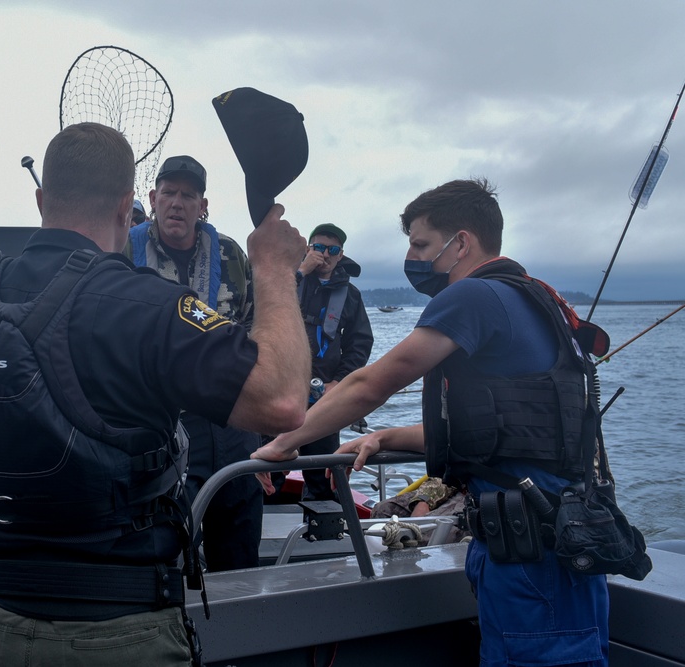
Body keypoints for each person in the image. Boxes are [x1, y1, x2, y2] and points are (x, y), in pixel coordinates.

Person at [0, 123, 310, 667]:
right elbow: (281, 402)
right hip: (124, 629)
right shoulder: (154, 307)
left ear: (41, 199)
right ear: (127, 206)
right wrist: (276, 268)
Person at [253, 179, 609, 667]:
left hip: (528, 550)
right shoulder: (529, 297)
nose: (412, 257)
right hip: (559, 536)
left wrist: (284, 441)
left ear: (461, 242)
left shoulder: (474, 298)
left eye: (420, 244)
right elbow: (506, 431)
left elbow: (370, 384)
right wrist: (383, 437)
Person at [124, 155, 265, 572]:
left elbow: (256, 327)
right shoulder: (124, 250)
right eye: (169, 193)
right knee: (165, 547)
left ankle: (241, 626)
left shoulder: (231, 255)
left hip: (232, 421)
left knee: (239, 546)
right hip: (160, 424)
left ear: (203, 205)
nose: (177, 203)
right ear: (153, 198)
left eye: (189, 195)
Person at [293, 222, 373, 501]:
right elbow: (262, 309)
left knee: (323, 475)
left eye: (332, 249)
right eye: (318, 247)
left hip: (323, 399)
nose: (324, 254)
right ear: (307, 249)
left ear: (341, 255)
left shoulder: (350, 295)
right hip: (281, 392)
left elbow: (360, 343)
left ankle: (322, 537)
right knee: (268, 468)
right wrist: (300, 271)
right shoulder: (290, 279)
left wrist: (339, 383)